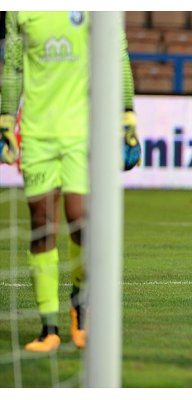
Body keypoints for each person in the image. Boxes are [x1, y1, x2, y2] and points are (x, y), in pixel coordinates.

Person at [0, 11, 140, 352]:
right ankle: (48, 327)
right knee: (41, 225)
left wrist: (126, 113)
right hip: (35, 133)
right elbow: (14, 66)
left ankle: (79, 300)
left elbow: (117, 53)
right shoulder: (19, 10)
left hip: (81, 134)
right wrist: (6, 117)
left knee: (81, 220)